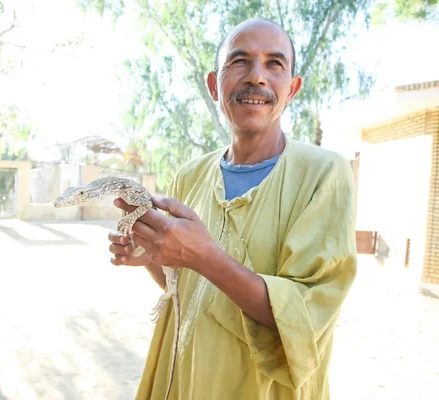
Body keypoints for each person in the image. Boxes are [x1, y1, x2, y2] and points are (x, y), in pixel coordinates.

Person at [108, 18, 357, 400]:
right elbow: (189, 292)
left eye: (274, 63)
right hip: (186, 379)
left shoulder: (325, 174)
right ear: (213, 85)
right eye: (239, 61)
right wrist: (152, 257)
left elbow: (305, 320)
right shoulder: (190, 176)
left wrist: (204, 256)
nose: (257, 76)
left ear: (292, 89)